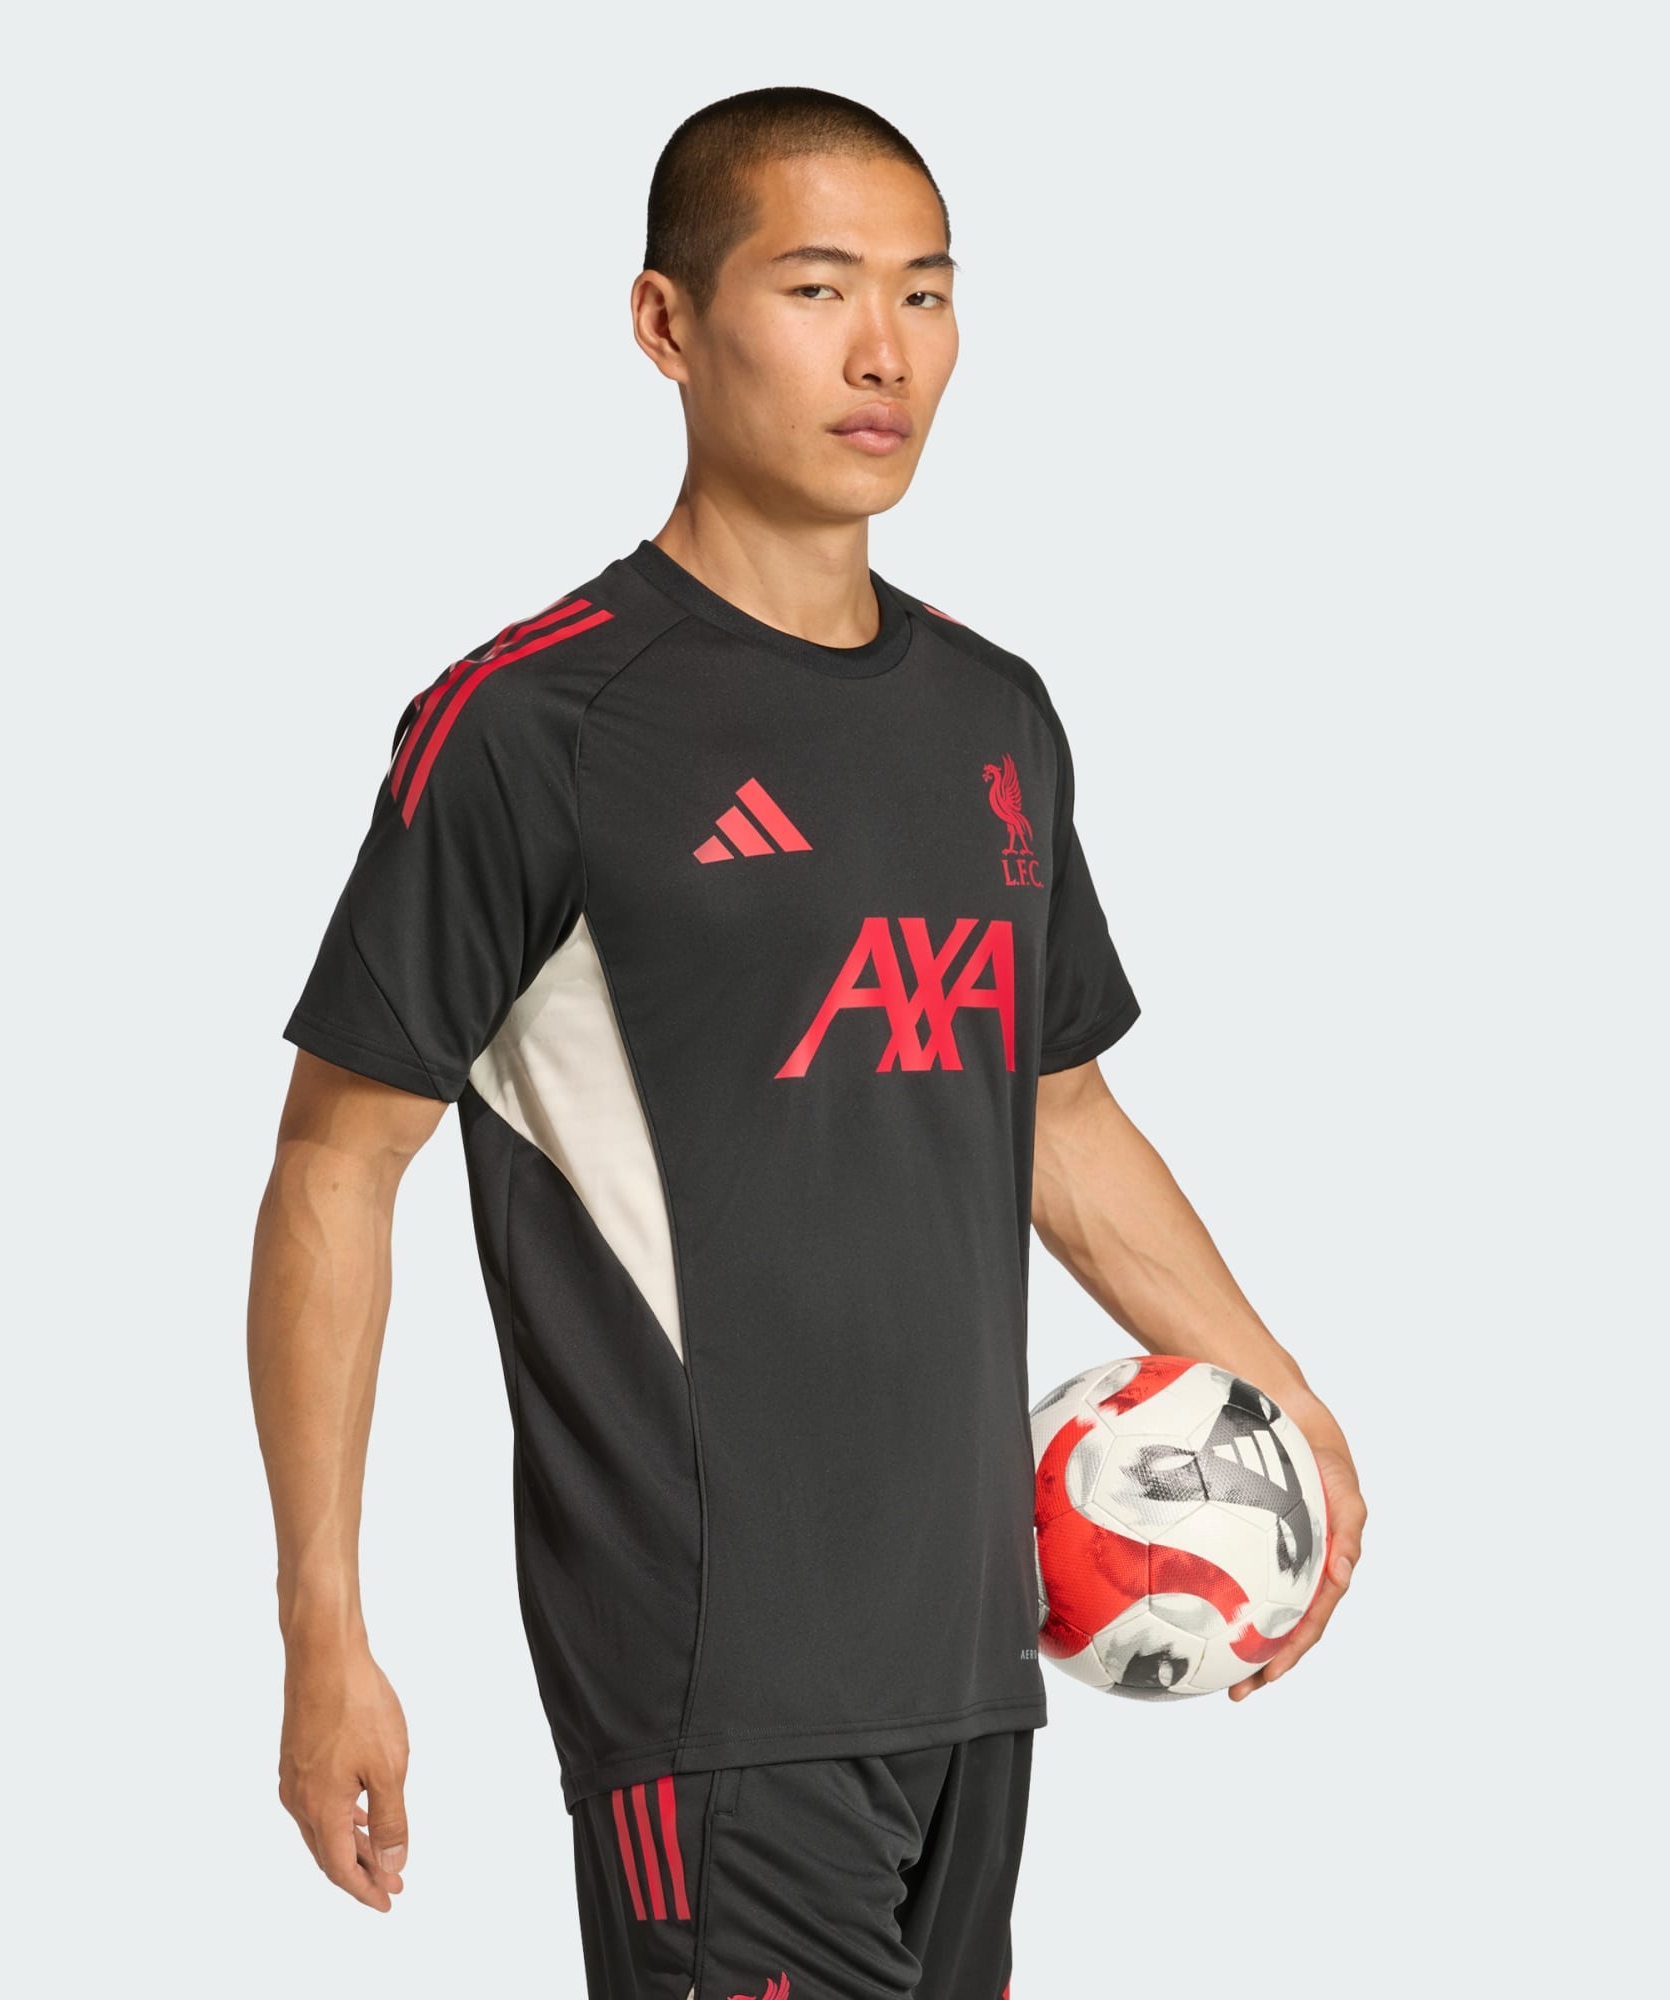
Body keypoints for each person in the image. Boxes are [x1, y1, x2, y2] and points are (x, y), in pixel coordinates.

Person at [247, 85, 1366, 2000]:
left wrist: (1279, 1393)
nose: (884, 353)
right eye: (819, 287)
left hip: (979, 1661)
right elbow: (335, 1168)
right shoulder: (537, 727)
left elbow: (1058, 1114)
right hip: (713, 1692)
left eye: (926, 293)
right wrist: (321, 1626)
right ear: (667, 324)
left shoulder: (995, 717)